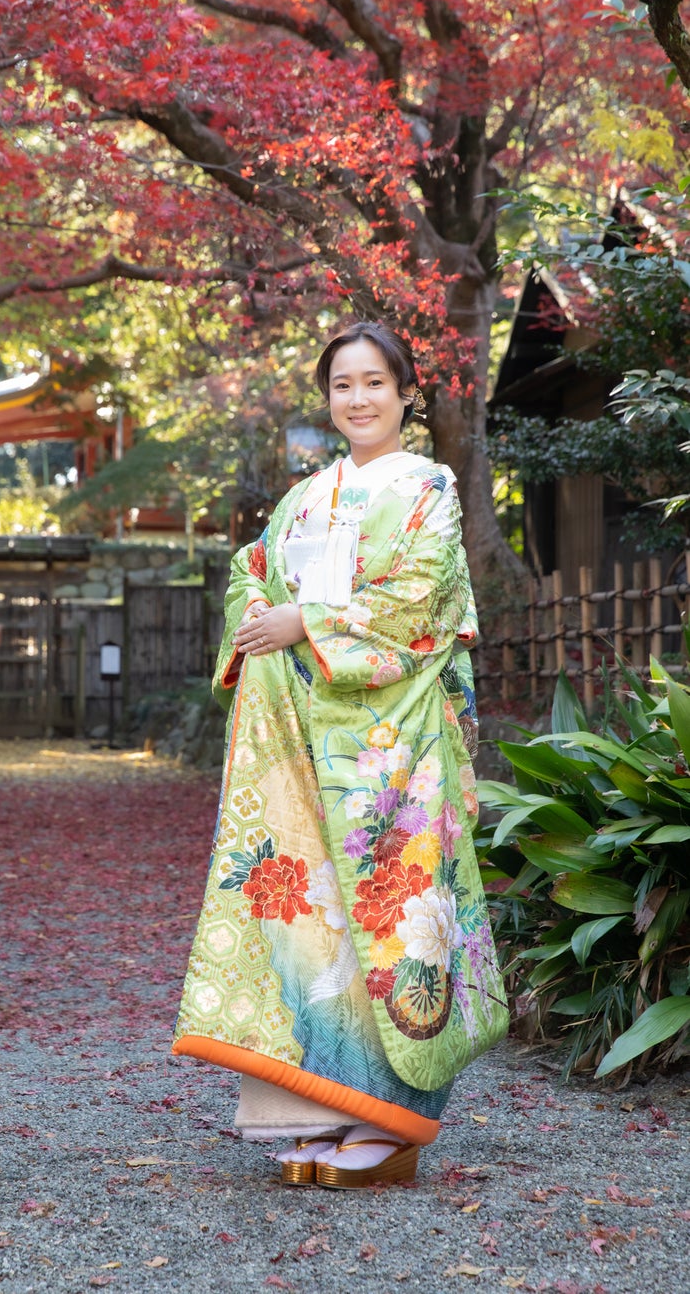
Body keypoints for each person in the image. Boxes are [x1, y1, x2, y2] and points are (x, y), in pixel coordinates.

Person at [172, 321, 509, 1189]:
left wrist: (308, 623)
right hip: (298, 737)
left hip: (390, 749)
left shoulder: (429, 487)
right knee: (310, 920)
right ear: (328, 399)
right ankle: (319, 1110)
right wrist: (264, 618)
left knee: (391, 914)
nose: (358, 399)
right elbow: (250, 570)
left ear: (407, 394)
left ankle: (389, 1126)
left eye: (374, 383)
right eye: (342, 385)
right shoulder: (302, 497)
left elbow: (421, 600)